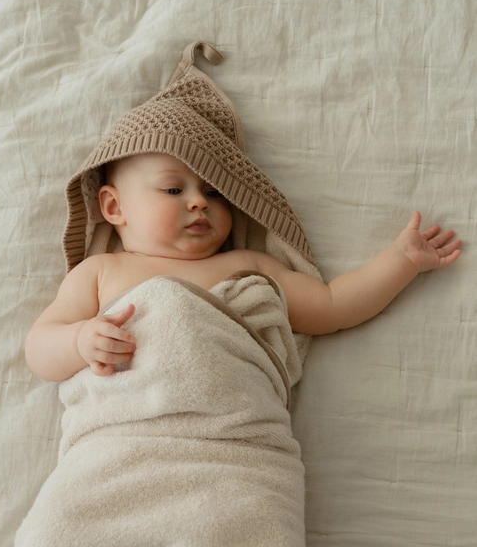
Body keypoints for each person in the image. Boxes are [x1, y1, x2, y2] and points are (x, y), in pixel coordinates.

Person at [24, 151, 462, 383]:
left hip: (232, 437)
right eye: (173, 189)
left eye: (214, 192)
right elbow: (40, 350)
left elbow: (332, 306)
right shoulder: (99, 271)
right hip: (122, 436)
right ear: (114, 206)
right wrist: (79, 341)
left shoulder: (248, 267)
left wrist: (401, 261)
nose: (199, 202)